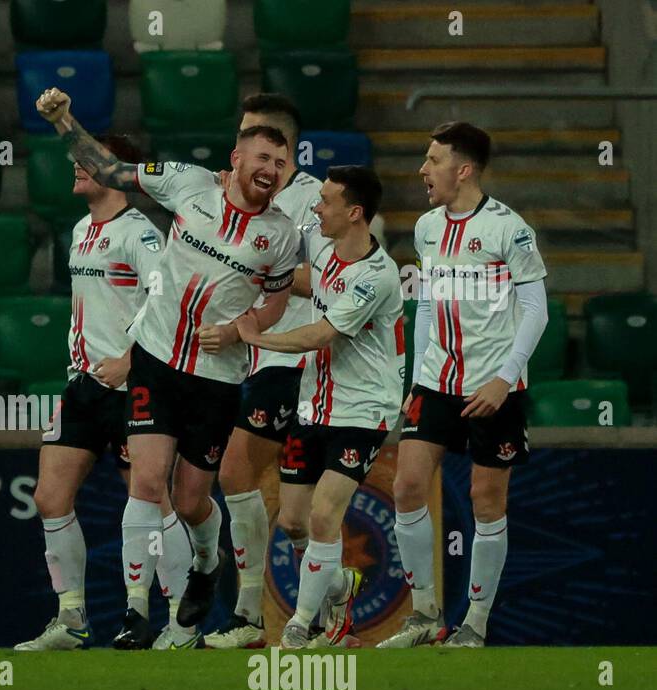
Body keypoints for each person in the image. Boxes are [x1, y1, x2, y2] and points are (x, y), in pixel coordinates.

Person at [35, 87, 300, 650]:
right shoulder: (186, 182)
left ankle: (209, 556)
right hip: (155, 360)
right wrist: (64, 119)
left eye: (281, 163)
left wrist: (238, 330)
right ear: (236, 159)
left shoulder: (281, 236)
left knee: (188, 501)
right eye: (262, 158)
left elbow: (274, 303)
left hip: (217, 378)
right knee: (148, 485)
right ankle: (136, 612)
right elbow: (109, 166)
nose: (271, 169)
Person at [14, 135, 192, 651]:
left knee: (154, 499)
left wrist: (131, 360)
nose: (75, 167)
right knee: (49, 496)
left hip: (137, 386)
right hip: (85, 385)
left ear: (115, 172)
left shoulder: (142, 235)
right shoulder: (80, 231)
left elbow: (171, 307)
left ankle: (180, 619)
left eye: (86, 161)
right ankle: (71, 619)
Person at [378, 122, 549, 649]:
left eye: (433, 160)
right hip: (437, 381)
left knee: (485, 499)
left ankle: (474, 622)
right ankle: (425, 614)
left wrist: (504, 379)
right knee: (406, 486)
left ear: (464, 169)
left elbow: (536, 311)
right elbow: (425, 304)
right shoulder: (428, 227)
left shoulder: (509, 229)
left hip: (493, 385)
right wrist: (416, 378)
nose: (423, 171)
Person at [234, 166, 405, 649]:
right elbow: (309, 279)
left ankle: (300, 625)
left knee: (326, 514)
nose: (315, 207)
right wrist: (259, 271)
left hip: (362, 412)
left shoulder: (377, 276)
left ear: (354, 213)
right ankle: (337, 587)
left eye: (325, 201)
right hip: (314, 407)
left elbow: (322, 333)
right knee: (293, 521)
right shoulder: (330, 254)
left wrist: (258, 337)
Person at [202, 93, 329, 650]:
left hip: (297, 361)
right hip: (248, 360)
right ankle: (325, 612)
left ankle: (251, 616)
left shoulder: (319, 199)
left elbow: (333, 279)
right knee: (294, 514)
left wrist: (266, 269)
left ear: (282, 146)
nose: (245, 152)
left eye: (256, 140)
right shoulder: (233, 198)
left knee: (239, 476)